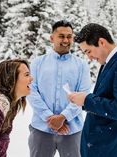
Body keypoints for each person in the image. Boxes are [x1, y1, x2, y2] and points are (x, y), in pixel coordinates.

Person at [68, 23, 117, 157]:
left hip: (111, 149)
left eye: (88, 51)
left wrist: (86, 100)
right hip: (100, 147)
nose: (88, 57)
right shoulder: (109, 62)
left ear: (101, 42)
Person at [27, 20, 91, 157]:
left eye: (69, 36)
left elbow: (83, 95)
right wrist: (50, 118)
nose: (66, 40)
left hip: (72, 131)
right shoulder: (37, 63)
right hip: (41, 130)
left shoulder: (82, 66)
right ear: (52, 38)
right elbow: (31, 92)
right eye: (61, 36)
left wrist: (63, 117)